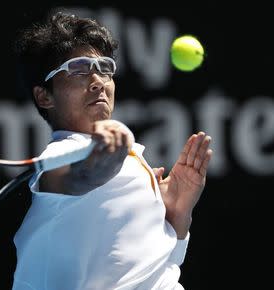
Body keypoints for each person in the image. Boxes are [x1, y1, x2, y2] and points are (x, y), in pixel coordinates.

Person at [12, 11, 212, 290]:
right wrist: (102, 165)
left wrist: (178, 214)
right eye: (78, 69)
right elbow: (77, 176)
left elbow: (162, 263)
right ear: (44, 96)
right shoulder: (61, 155)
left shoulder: (135, 162)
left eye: (103, 67)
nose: (97, 81)